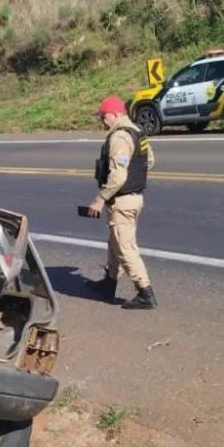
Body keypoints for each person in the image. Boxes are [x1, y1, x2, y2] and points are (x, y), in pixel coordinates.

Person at [83, 95, 157, 310]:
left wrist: (99, 200)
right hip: (134, 197)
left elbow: (118, 177)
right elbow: (149, 161)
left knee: (125, 247)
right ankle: (109, 284)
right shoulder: (137, 132)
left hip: (123, 201)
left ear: (114, 115)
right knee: (114, 243)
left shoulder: (119, 137)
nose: (102, 121)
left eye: (103, 116)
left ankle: (145, 292)